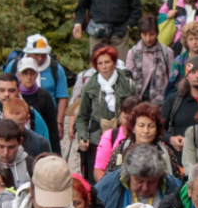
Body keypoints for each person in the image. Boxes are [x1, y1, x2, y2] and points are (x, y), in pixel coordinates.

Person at [76, 47, 137, 176]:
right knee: (95, 177)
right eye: (100, 63)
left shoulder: (127, 84)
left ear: (114, 63)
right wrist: (82, 137)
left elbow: (138, 112)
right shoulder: (90, 86)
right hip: (96, 139)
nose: (104, 67)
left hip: (123, 138)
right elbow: (82, 116)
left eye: (107, 62)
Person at [3, 35, 71, 143]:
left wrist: (59, 123)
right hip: (19, 119)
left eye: (43, 55)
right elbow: (4, 87)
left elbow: (62, 96)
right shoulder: (14, 66)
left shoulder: (56, 68)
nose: (40, 58)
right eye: (36, 55)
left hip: (49, 116)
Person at [96, 144, 183, 208]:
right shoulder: (109, 185)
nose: (145, 188)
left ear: (160, 178)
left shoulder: (173, 187)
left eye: (151, 182)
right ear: (128, 175)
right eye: (139, 181)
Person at [99, 101, 184, 182]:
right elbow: (108, 180)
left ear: (157, 129)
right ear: (133, 128)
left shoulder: (166, 153)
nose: (146, 131)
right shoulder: (121, 150)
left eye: (151, 126)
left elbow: (176, 184)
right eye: (141, 125)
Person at [73, 0, 143, 61]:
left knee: (121, 69)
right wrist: (78, 23)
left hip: (119, 34)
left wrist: (128, 25)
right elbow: (82, 5)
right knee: (97, 68)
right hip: (97, 33)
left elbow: (136, 8)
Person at [164, 55, 198, 163]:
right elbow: (158, 128)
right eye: (193, 72)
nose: (197, 76)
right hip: (180, 162)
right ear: (187, 76)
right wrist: (171, 139)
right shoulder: (174, 100)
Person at [15, 58, 62, 156]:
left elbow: (52, 129)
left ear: (36, 74)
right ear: (19, 75)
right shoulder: (15, 96)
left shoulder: (44, 96)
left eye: (32, 73)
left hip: (39, 147)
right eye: (25, 73)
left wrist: (56, 155)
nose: (29, 77)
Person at [126, 15, 175, 106]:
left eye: (152, 34)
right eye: (145, 35)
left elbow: (172, 78)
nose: (148, 38)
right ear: (140, 34)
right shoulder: (133, 53)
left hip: (161, 103)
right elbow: (129, 79)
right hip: (137, 102)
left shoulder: (166, 52)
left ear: (157, 33)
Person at [94, 96, 142, 179]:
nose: (130, 122)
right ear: (120, 114)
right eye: (126, 118)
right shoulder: (110, 136)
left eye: (134, 119)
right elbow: (99, 169)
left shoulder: (149, 137)